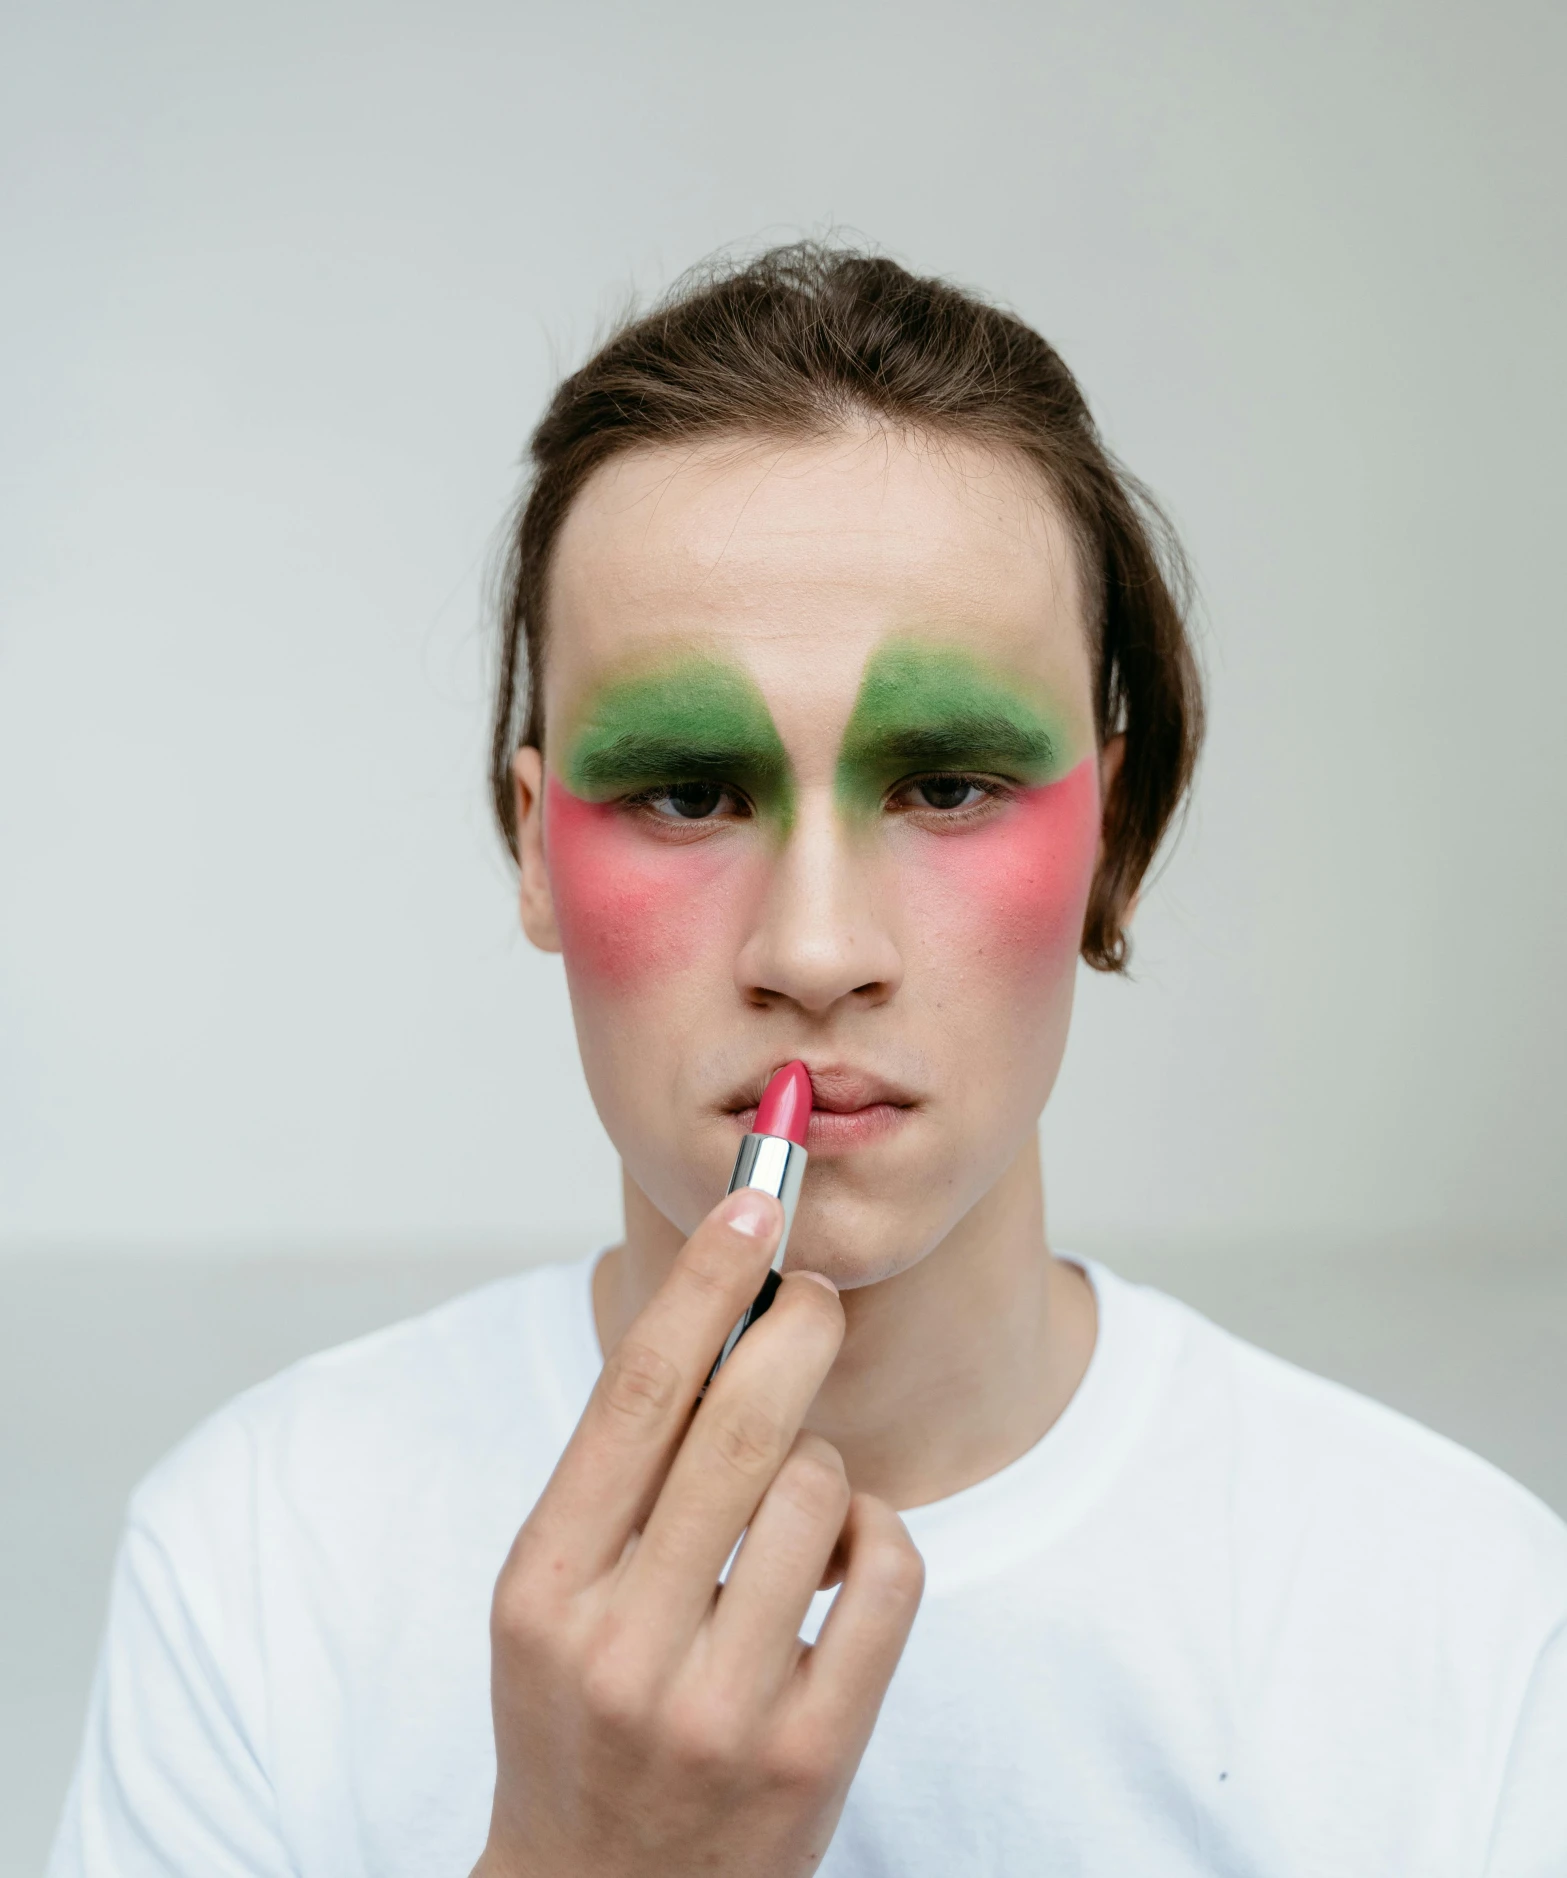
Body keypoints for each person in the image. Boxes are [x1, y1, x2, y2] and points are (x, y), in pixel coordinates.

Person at [51, 246, 1566, 1876]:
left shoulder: (1453, 1611)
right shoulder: (264, 1556)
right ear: (536, 851)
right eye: (688, 792)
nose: (816, 945)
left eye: (949, 784)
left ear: (1112, 838)